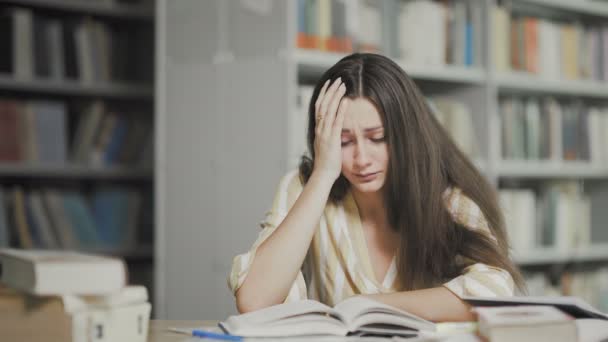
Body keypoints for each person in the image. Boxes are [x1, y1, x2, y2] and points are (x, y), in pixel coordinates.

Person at [228, 53, 525, 322]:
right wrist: (322, 176)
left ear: (404, 134)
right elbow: (256, 299)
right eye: (343, 142)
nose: (361, 159)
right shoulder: (305, 186)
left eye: (377, 137)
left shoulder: (447, 195)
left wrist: (372, 305)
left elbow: (495, 291)